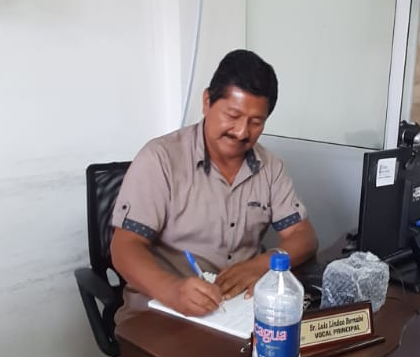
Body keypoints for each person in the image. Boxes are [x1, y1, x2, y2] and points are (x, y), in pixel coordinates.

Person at [110, 49, 317, 322]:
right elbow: (125, 247)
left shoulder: (270, 167)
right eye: (232, 115)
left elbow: (304, 236)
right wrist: (173, 291)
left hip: (236, 311)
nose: (242, 132)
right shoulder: (161, 159)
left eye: (256, 122)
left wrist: (260, 265)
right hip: (164, 312)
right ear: (207, 102)